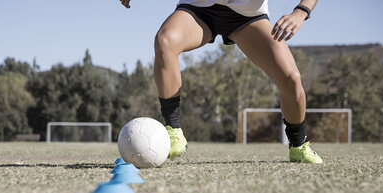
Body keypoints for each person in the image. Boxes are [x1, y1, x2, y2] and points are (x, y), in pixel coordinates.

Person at [120, 0, 323, 163]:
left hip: (248, 17)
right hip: (197, 10)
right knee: (165, 41)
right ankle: (173, 130)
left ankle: (298, 146)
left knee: (291, 78)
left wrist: (300, 12)